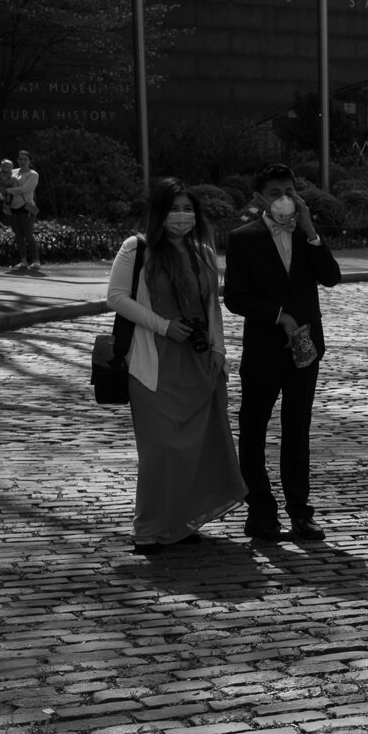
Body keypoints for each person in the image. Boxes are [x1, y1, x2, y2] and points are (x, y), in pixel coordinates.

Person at [106, 178, 248, 554]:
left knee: (195, 448)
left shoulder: (202, 251)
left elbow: (212, 307)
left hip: (198, 361)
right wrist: (163, 325)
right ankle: (148, 528)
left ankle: (181, 523)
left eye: (188, 209)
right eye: (174, 208)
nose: (182, 217)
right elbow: (116, 297)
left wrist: (218, 350)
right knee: (162, 449)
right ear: (158, 212)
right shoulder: (137, 249)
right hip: (154, 360)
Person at [223, 163, 341, 542]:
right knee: (253, 428)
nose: (283, 199)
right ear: (259, 198)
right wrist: (278, 317)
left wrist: (310, 230)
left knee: (297, 429)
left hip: (306, 348)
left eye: (289, 191)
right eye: (275, 193)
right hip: (263, 348)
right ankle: (260, 510)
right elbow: (235, 298)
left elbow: (332, 277)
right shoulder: (243, 238)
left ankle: (300, 511)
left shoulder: (308, 236)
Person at [4, 151, 43, 276]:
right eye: (20, 159)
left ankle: (36, 260)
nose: (22, 161)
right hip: (13, 206)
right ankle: (23, 260)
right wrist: (2, 192)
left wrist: (8, 190)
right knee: (18, 235)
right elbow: (1, 184)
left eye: (25, 159)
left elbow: (25, 189)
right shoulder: (13, 171)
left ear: (29, 161)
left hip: (27, 206)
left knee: (28, 233)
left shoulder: (33, 174)